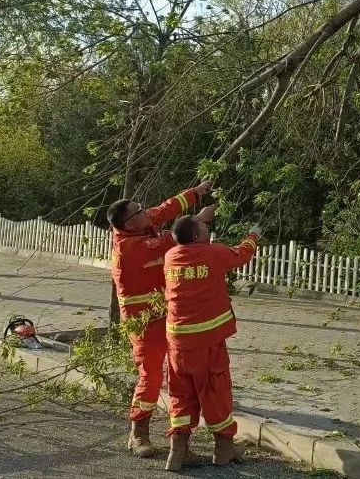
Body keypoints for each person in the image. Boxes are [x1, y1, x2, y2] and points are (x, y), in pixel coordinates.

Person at [106, 181, 213, 457]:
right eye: (139, 211)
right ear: (128, 223)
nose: (146, 212)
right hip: (143, 321)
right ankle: (138, 432)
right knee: (151, 375)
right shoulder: (129, 247)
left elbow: (165, 209)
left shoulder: (139, 222)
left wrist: (196, 192)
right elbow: (169, 240)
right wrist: (198, 221)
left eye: (141, 208)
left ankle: (180, 438)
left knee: (179, 372)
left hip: (168, 313)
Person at [162, 215, 261, 470]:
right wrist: (253, 235)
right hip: (206, 341)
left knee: (181, 394)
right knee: (216, 392)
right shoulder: (213, 253)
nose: (208, 229)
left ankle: (178, 450)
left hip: (177, 342)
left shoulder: (171, 256)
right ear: (196, 236)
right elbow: (242, 254)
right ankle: (224, 447)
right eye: (204, 227)